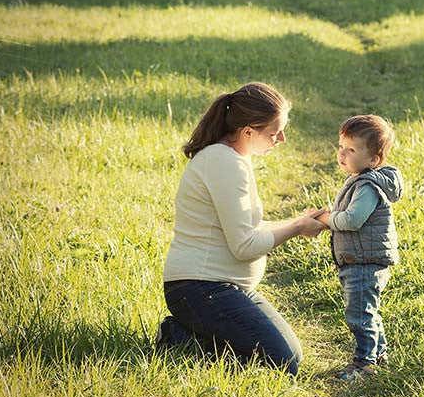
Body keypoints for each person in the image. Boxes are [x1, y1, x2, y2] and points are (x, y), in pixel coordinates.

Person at [156, 82, 326, 376]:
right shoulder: (224, 163)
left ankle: (191, 332)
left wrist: (299, 220)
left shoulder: (232, 158)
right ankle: (179, 339)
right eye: (274, 133)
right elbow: (245, 246)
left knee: (291, 354)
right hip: (200, 288)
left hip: (220, 288)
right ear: (248, 131)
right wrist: (297, 227)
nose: (282, 139)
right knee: (283, 364)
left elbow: (249, 226)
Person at [314, 115, 403, 381]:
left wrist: (327, 219)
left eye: (351, 149)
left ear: (373, 160)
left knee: (359, 314)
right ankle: (379, 356)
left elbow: (353, 220)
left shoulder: (367, 186)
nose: (341, 153)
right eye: (341, 146)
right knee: (368, 311)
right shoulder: (360, 179)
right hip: (361, 259)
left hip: (364, 262)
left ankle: (364, 365)